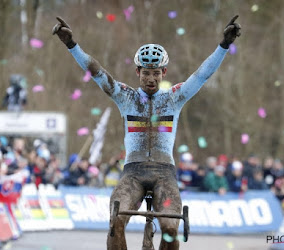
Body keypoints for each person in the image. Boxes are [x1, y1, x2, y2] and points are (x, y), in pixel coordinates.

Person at [53, 15, 241, 250]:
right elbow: (97, 72)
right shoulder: (125, 96)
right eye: (145, 73)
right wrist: (71, 45)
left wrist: (224, 45)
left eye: (156, 73)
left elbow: (202, 74)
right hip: (133, 171)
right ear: (137, 71)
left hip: (165, 173)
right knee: (116, 219)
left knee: (171, 228)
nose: (151, 79)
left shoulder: (175, 97)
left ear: (164, 72)